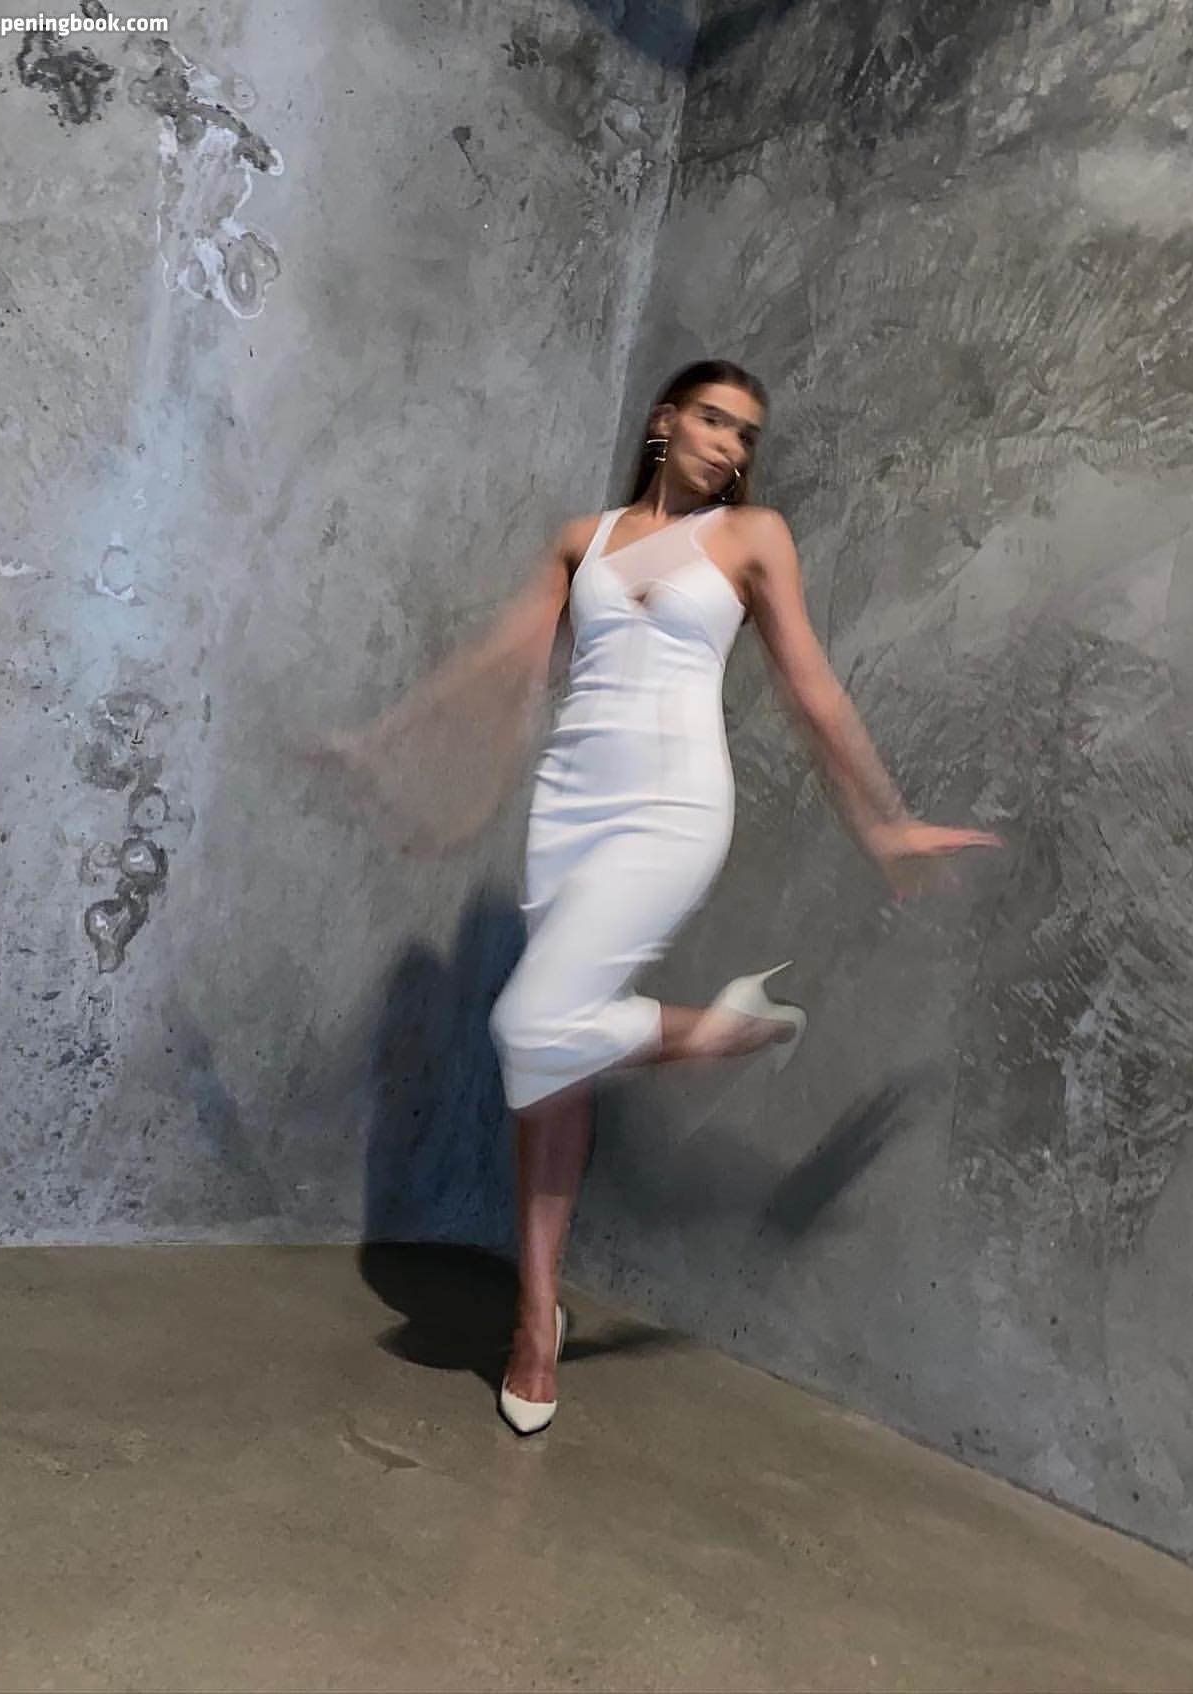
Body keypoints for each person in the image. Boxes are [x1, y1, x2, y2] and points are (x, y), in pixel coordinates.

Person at [324, 360, 1002, 1435]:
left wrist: (886, 821)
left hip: (672, 807)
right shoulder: (582, 540)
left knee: (533, 1026)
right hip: (569, 810)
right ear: (664, 421)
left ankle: (717, 1031)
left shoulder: (752, 538)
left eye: (746, 434)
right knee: (550, 1076)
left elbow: (810, 687)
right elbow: (504, 661)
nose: (730, 445)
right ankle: (536, 1319)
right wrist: (385, 742)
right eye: (714, 420)